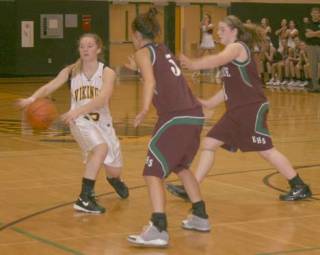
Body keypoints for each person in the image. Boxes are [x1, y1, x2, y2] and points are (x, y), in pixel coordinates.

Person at [166, 15, 312, 202]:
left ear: (234, 32)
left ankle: (298, 185)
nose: (218, 33)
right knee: (209, 143)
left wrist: (194, 64)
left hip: (251, 108)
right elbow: (230, 86)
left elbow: (216, 59)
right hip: (236, 111)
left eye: (222, 30)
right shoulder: (230, 54)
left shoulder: (237, 48)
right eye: (217, 30)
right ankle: (191, 188)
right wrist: (210, 102)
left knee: (266, 150)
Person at [125, 8, 210, 248]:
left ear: (135, 34)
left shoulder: (142, 52)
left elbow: (151, 81)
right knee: (181, 167)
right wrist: (139, 70)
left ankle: (159, 227)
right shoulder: (162, 49)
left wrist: (143, 110)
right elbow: (162, 77)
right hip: (193, 115)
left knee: (152, 172)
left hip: (175, 117)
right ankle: (200, 216)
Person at [17, 33, 129, 214]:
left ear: (98, 49)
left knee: (114, 169)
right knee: (100, 149)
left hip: (103, 124)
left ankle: (114, 179)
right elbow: (50, 86)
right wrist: (32, 99)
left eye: (90, 46)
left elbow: (102, 99)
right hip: (79, 121)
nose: (85, 49)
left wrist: (77, 110)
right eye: (82, 46)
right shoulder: (71, 71)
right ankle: (85, 198)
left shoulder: (107, 73)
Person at [304, 7, 320, 93]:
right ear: (311, 14)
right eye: (313, 13)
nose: (315, 14)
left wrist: (312, 33)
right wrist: (317, 33)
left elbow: (311, 34)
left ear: (319, 14)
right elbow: (307, 35)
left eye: (316, 12)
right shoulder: (308, 24)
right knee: (313, 68)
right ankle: (315, 87)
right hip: (311, 47)